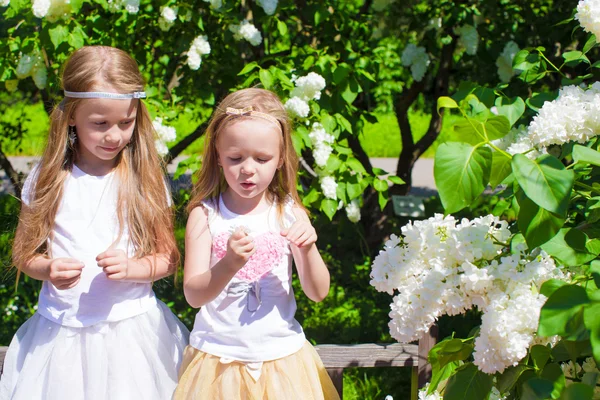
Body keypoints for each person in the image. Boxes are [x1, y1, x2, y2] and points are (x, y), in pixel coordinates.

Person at [0, 46, 188, 400]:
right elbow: (24, 255)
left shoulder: (144, 179)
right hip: (61, 336)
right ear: (72, 116)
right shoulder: (47, 179)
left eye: (126, 122)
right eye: (100, 124)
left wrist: (134, 268)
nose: (114, 136)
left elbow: (169, 258)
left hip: (132, 336)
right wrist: (48, 267)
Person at [174, 88, 340, 400]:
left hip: (282, 360)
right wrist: (228, 265)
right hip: (218, 363)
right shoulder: (205, 215)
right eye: (236, 158)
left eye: (262, 158)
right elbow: (194, 295)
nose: (248, 169)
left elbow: (318, 293)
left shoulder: (289, 213)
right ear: (218, 158)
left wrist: (308, 248)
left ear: (280, 160)